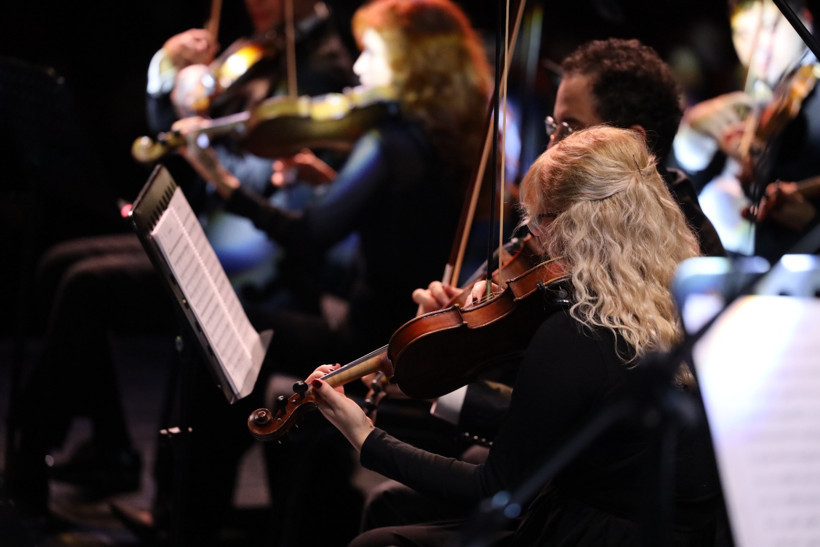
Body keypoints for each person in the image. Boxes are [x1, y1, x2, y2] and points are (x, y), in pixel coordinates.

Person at [141, 0, 493, 543]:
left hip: (367, 342)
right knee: (240, 346)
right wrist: (333, 181)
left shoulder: (388, 142)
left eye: (372, 54)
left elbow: (308, 237)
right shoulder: (443, 137)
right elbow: (397, 230)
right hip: (398, 323)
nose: (356, 69)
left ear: (413, 64)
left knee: (224, 340)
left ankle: (193, 519)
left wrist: (222, 181)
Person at [2, 0, 357, 524]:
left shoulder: (321, 68)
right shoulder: (253, 52)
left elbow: (261, 181)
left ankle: (26, 471)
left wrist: (207, 142)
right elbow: (166, 139)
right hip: (213, 236)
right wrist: (165, 72)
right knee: (60, 263)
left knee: (84, 284)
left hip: (256, 261)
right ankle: (111, 447)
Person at [304, 125, 722, 546]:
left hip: (592, 533)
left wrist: (364, 436)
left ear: (577, 226)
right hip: (666, 528)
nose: (532, 239)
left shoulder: (579, 332)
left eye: (537, 222)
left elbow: (494, 489)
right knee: (392, 509)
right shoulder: (685, 301)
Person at [674, 0, 820, 261]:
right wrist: (691, 140)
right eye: (742, 33)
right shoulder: (755, 100)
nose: (755, 47)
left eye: (768, 28)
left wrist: (808, 223)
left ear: (805, 21)